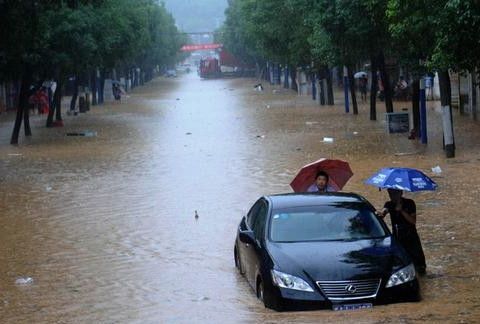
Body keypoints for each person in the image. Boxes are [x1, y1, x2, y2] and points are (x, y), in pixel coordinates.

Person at [377, 189, 426, 274]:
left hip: (411, 237)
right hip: (398, 237)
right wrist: (381, 213)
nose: (392, 196)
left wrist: (401, 211)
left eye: (394, 193)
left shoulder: (410, 203)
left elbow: (413, 221)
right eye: (390, 193)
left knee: (419, 266)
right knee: (400, 264)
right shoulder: (389, 204)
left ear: (400, 193)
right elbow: (384, 211)